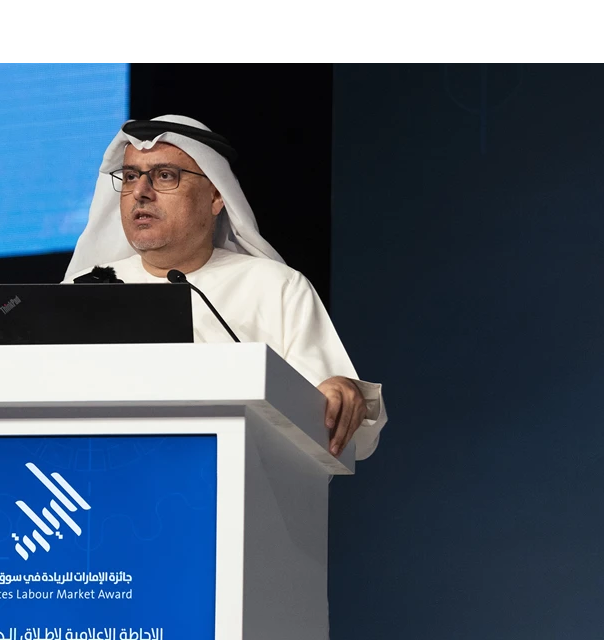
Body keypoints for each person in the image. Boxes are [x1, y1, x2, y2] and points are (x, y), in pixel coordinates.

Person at [64, 115, 386, 461]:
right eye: (130, 177)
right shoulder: (78, 293)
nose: (140, 192)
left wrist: (341, 395)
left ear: (216, 195)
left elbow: (347, 435)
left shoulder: (276, 288)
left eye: (165, 175)